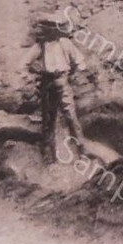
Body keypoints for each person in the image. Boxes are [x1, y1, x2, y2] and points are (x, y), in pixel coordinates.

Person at [26, 10, 87, 164]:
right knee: (48, 119)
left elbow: (80, 61)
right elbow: (24, 62)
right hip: (47, 83)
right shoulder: (41, 46)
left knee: (70, 116)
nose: (50, 30)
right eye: (47, 27)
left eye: (53, 27)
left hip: (62, 81)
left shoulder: (65, 43)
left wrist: (74, 74)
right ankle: (48, 156)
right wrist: (32, 73)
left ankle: (82, 152)